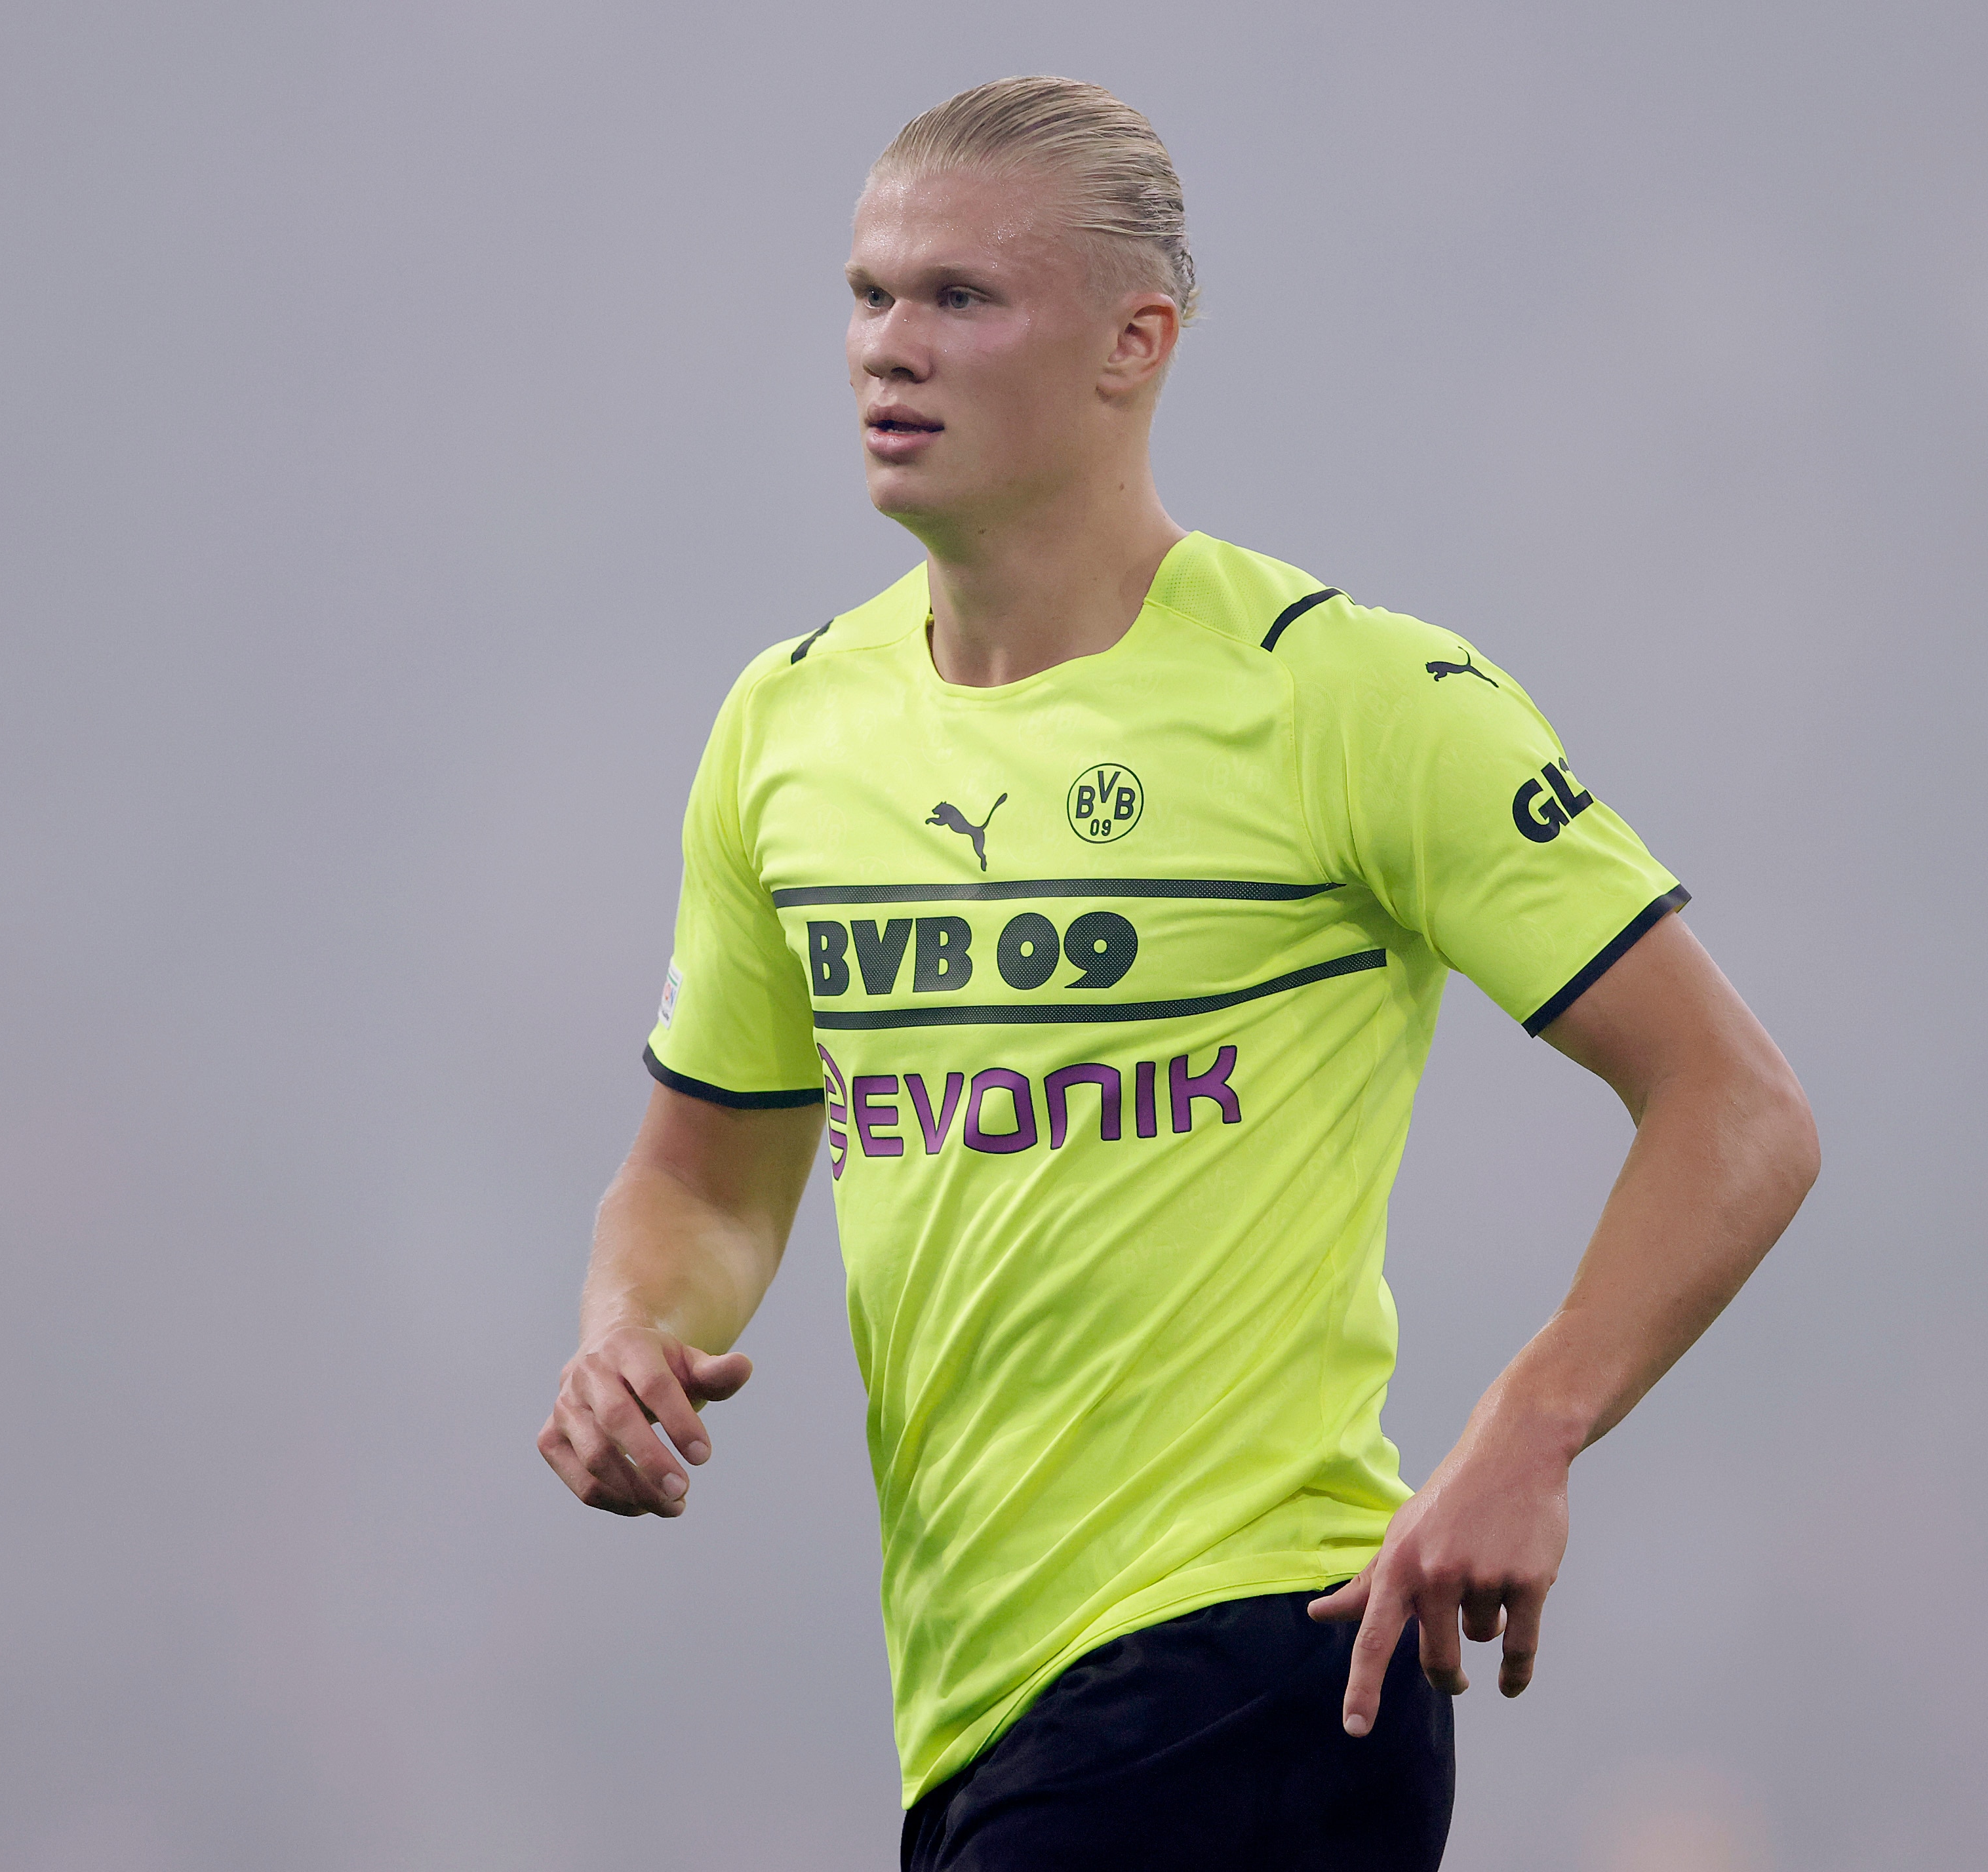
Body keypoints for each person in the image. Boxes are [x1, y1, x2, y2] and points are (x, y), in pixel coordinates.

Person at [535, 75, 1818, 1871]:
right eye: (869, 294)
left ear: (1134, 343)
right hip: (983, 1707)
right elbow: (706, 1175)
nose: (890, 345)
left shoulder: (1350, 697)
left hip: (1263, 1660)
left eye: (960, 297)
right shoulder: (786, 728)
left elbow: (1737, 1107)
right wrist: (630, 1332)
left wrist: (1530, 1429)